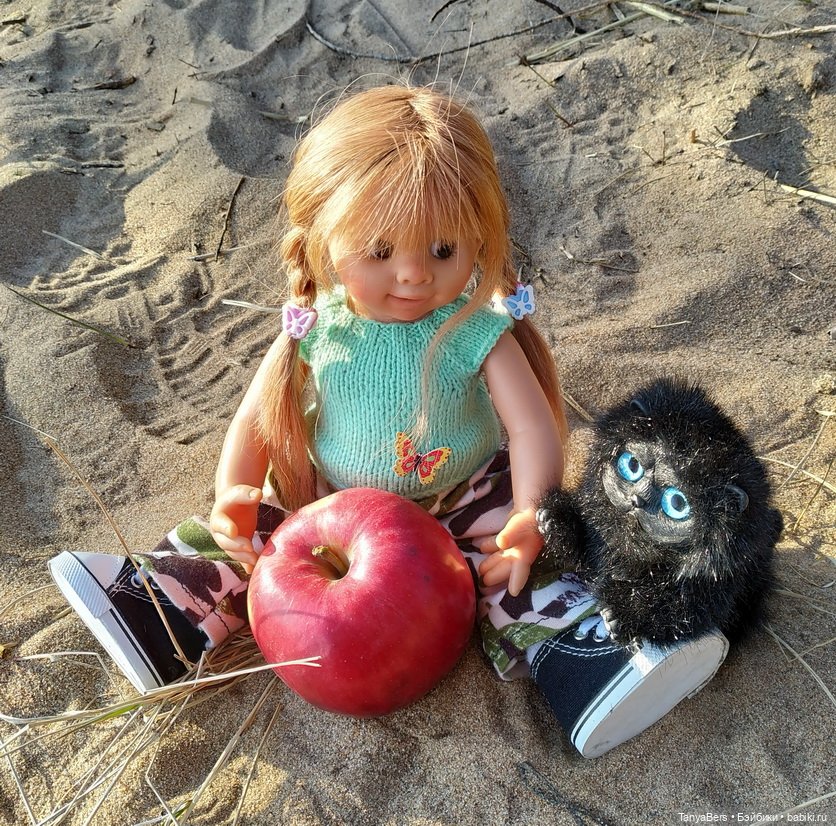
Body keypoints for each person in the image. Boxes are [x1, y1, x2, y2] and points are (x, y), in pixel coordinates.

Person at [49, 84, 727, 758]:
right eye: (379, 251)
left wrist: (530, 513)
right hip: (329, 501)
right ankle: (153, 610)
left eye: (443, 250)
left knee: (523, 567)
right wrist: (234, 493)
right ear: (324, 238)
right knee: (247, 542)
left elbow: (530, 430)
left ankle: (593, 662)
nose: (412, 276)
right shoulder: (317, 328)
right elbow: (257, 418)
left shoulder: (472, 328)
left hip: (463, 491)